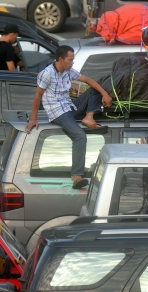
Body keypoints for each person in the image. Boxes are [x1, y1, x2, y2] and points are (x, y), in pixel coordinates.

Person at [25, 45, 113, 188]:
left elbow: (88, 80)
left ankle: (88, 117)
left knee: (95, 89)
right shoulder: (47, 74)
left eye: (73, 60)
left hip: (70, 107)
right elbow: (38, 96)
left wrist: (105, 94)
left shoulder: (68, 71)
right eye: (70, 60)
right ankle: (77, 176)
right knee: (79, 136)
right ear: (60, 59)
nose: (72, 63)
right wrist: (33, 119)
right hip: (58, 112)